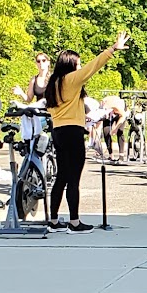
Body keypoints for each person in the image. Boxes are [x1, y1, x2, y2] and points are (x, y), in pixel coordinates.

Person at [45, 32, 126, 229]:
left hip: (58, 131)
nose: (80, 67)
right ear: (70, 65)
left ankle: (53, 220)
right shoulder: (71, 79)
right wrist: (113, 49)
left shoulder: (53, 83)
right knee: (74, 178)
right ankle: (74, 222)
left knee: (61, 177)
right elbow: (93, 67)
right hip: (72, 132)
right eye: (78, 64)